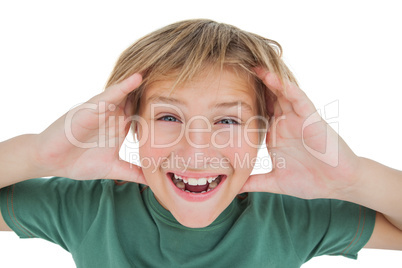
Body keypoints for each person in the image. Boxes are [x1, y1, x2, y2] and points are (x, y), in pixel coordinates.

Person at [0, 19, 401, 267]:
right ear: (130, 126)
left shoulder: (291, 216)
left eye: (227, 120)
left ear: (266, 132)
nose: (196, 151)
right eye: (169, 118)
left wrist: (353, 179)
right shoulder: (88, 207)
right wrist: (36, 154)